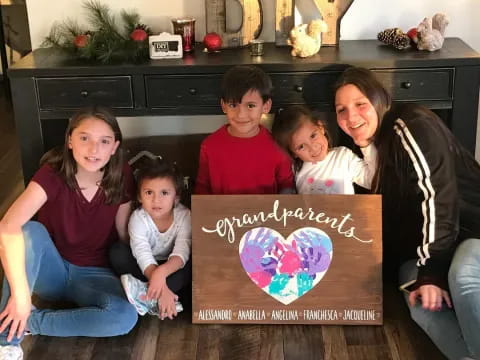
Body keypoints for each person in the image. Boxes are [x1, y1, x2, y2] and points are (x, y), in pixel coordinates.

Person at [334, 66, 480, 360]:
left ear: (380, 100)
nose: (351, 117)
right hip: (423, 251)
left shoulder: (411, 125)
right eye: (341, 110)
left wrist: (431, 272)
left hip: (469, 230)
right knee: (422, 305)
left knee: (462, 279)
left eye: (360, 104)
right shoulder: (366, 156)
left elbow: (438, 196)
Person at [0, 105, 138, 360]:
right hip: (52, 270)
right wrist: (21, 296)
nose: (94, 149)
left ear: (115, 147)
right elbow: (7, 227)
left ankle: (32, 321)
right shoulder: (52, 175)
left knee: (124, 317)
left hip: (97, 275)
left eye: (104, 141)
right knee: (29, 230)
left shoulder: (122, 175)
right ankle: (7, 339)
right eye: (84, 138)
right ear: (70, 141)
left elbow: (124, 236)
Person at [109, 157, 191, 320]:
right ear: (139, 197)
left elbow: (182, 252)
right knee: (117, 252)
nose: (156, 200)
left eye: (164, 193)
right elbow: (142, 253)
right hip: (145, 267)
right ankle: (162, 296)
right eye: (149, 193)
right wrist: (161, 284)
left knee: (192, 265)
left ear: (176, 197)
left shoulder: (185, 216)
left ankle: (145, 295)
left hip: (171, 267)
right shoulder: (138, 218)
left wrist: (161, 273)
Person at [194, 65, 294, 195]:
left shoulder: (277, 145)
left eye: (250, 105)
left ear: (266, 106)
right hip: (223, 214)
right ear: (224, 106)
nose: (241, 115)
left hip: (266, 214)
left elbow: (286, 187)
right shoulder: (209, 146)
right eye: (233, 105)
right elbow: (202, 188)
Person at [271, 105, 376, 194]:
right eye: (301, 146)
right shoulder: (295, 170)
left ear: (321, 127)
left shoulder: (343, 157)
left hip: (344, 217)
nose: (312, 147)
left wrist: (366, 145)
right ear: (294, 153)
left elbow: (373, 181)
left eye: (313, 136)